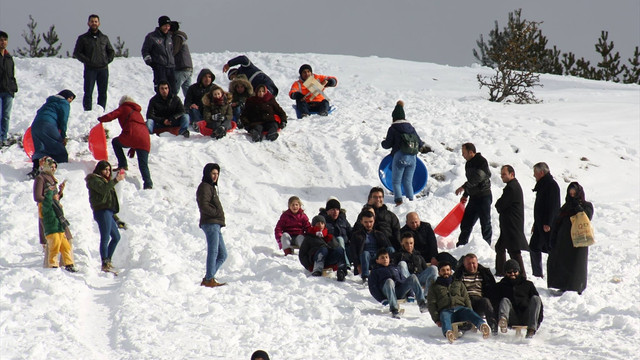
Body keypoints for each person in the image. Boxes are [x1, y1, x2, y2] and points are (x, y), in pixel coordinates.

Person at [98, 95, 153, 190]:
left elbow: (112, 115)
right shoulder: (137, 111)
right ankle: (148, 184)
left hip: (131, 135)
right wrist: (133, 147)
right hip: (145, 138)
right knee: (143, 163)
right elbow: (138, 128)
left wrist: (100, 119)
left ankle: (123, 164)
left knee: (116, 142)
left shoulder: (124, 107)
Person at [426, 261, 491, 343]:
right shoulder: (434, 287)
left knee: (469, 312)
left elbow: (466, 298)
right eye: (443, 270)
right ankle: (448, 333)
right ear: (439, 272)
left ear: (450, 271)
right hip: (446, 310)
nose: (446, 272)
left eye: (447, 270)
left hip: (460, 309)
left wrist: (469, 309)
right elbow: (431, 304)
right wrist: (436, 319)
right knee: (444, 316)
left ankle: (482, 326)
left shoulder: (458, 283)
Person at [547, 182, 594, 294]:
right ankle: (563, 285)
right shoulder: (565, 207)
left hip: (578, 241)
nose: (572, 195)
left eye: (574, 193)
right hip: (563, 241)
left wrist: (577, 207)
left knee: (576, 265)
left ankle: (577, 286)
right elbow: (558, 221)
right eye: (570, 193)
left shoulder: (586, 205)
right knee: (563, 263)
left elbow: (586, 216)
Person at [36, 158, 77, 272]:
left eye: (55, 167)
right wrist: (50, 197)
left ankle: (66, 263)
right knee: (53, 239)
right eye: (51, 167)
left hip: (56, 211)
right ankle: (51, 265)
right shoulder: (41, 178)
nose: (53, 169)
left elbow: (55, 197)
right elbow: (38, 197)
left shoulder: (52, 179)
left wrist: (60, 193)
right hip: (47, 211)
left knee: (64, 238)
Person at [381, 100, 425, 205]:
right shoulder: (411, 128)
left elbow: (387, 144)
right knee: (408, 181)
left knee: (396, 181)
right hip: (413, 158)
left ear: (394, 117)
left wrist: (383, 143)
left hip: (400, 157)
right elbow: (420, 143)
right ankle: (410, 201)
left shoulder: (393, 128)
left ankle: (399, 201)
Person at [85, 160, 126, 272]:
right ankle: (105, 263)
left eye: (109, 170)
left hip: (108, 212)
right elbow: (103, 190)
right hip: (101, 211)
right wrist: (116, 180)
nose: (108, 172)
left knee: (116, 237)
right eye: (105, 169)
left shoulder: (105, 182)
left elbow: (109, 202)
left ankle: (108, 260)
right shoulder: (93, 179)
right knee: (105, 237)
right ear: (99, 169)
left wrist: (116, 219)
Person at [27, 90, 76, 179]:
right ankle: (61, 171)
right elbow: (64, 120)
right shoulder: (64, 103)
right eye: (70, 98)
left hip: (35, 126)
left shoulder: (49, 102)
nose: (70, 101)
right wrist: (63, 136)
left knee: (40, 148)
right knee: (58, 148)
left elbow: (38, 112)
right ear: (66, 97)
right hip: (48, 124)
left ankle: (35, 169)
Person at [369, 248, 429, 318]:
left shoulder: (395, 268)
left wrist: (410, 293)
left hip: (399, 291)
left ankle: (422, 304)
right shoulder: (375, 271)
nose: (385, 259)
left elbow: (403, 279)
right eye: (382, 258)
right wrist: (381, 299)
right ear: (377, 260)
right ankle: (394, 309)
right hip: (387, 292)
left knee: (413, 277)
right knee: (389, 281)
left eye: (386, 257)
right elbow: (373, 287)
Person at [73, 14, 115, 111]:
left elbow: (111, 51)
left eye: (95, 21)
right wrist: (88, 61)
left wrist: (106, 61)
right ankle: (88, 112)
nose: (94, 23)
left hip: (103, 69)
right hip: (90, 69)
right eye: (92, 21)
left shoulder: (104, 38)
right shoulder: (83, 38)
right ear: (88, 23)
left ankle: (101, 111)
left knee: (103, 93)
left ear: (99, 23)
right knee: (88, 92)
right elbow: (77, 52)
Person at [492, 259, 543, 338]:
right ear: (505, 273)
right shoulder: (500, 286)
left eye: (515, 271)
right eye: (509, 272)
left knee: (536, 298)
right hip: (511, 317)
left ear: (519, 271)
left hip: (527, 316)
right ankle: (503, 321)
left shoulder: (528, 284)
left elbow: (539, 306)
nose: (512, 274)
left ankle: (531, 330)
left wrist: (537, 323)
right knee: (505, 300)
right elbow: (495, 305)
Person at [454, 143, 492, 246]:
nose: (463, 155)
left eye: (464, 153)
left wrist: (463, 187)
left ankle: (486, 246)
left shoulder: (481, 161)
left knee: (485, 223)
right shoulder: (468, 163)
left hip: (484, 196)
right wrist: (466, 194)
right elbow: (470, 180)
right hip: (474, 197)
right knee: (466, 222)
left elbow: (478, 177)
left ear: (471, 152)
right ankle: (461, 245)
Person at [494, 165, 529, 277]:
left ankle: (521, 275)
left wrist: (499, 204)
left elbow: (500, 205)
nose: (502, 176)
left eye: (504, 174)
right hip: (510, 223)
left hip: (511, 223)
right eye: (501, 174)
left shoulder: (511, 188)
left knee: (514, 250)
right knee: (501, 247)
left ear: (511, 174)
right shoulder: (513, 186)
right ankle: (501, 271)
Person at [197, 163, 228, 287]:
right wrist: (216, 213)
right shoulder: (204, 187)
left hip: (215, 224)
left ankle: (208, 278)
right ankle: (209, 279)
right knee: (213, 252)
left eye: (217, 174)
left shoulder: (210, 187)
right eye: (213, 173)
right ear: (207, 174)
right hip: (210, 223)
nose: (215, 176)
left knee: (223, 254)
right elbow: (203, 205)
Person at [453, 254, 497, 334]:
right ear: (464, 264)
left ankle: (493, 327)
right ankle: (464, 326)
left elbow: (492, 289)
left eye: (473, 263)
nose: (472, 266)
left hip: (479, 301)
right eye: (469, 264)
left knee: (486, 301)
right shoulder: (458, 275)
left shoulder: (485, 274)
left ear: (477, 263)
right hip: (465, 301)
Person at [530, 162, 560, 278]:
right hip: (540, 224)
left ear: (541, 173)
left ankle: (556, 276)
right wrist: (535, 223)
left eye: (535, 173)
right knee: (534, 247)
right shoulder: (543, 184)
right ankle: (537, 275)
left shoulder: (552, 185)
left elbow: (554, 206)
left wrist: (548, 223)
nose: (534, 175)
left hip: (547, 226)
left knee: (551, 250)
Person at [298, 215, 347, 281]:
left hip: (328, 259)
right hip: (315, 260)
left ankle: (341, 271)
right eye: (318, 223)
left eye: (322, 223)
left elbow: (336, 248)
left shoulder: (329, 235)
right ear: (314, 225)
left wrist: (330, 241)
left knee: (340, 250)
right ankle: (317, 270)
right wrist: (308, 266)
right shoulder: (309, 237)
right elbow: (302, 254)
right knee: (323, 249)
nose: (320, 225)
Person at [351, 210, 394, 283]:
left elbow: (388, 245)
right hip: (365, 259)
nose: (368, 224)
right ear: (361, 222)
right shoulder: (357, 235)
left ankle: (391, 269)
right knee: (365, 253)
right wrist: (357, 264)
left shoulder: (379, 234)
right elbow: (353, 251)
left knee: (391, 249)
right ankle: (365, 277)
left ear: (374, 221)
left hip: (378, 257)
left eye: (371, 222)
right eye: (366, 222)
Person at [141, 16, 176, 94]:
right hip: (160, 68)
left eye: (168, 26)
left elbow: (171, 51)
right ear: (160, 26)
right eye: (165, 26)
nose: (167, 28)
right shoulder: (151, 37)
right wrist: (151, 63)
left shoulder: (170, 37)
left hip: (171, 68)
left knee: (173, 91)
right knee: (161, 91)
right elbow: (145, 51)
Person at [317, 198, 352, 269]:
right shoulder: (322, 221)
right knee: (339, 239)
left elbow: (350, 232)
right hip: (331, 248)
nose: (335, 212)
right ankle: (345, 263)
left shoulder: (343, 220)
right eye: (332, 209)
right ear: (327, 211)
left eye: (337, 210)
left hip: (346, 248)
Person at [0, 31, 18, 147]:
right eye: (1, 40)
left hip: (7, 91)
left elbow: (11, 74)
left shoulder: (8, 57)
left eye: (5, 40)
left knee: (6, 116)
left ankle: (3, 138)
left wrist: (13, 88)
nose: (3, 42)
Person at [170, 21, 192, 97]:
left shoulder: (177, 37)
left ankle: (171, 106)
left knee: (174, 90)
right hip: (187, 67)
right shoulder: (182, 37)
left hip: (181, 67)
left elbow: (174, 52)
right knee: (188, 93)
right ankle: (190, 107)